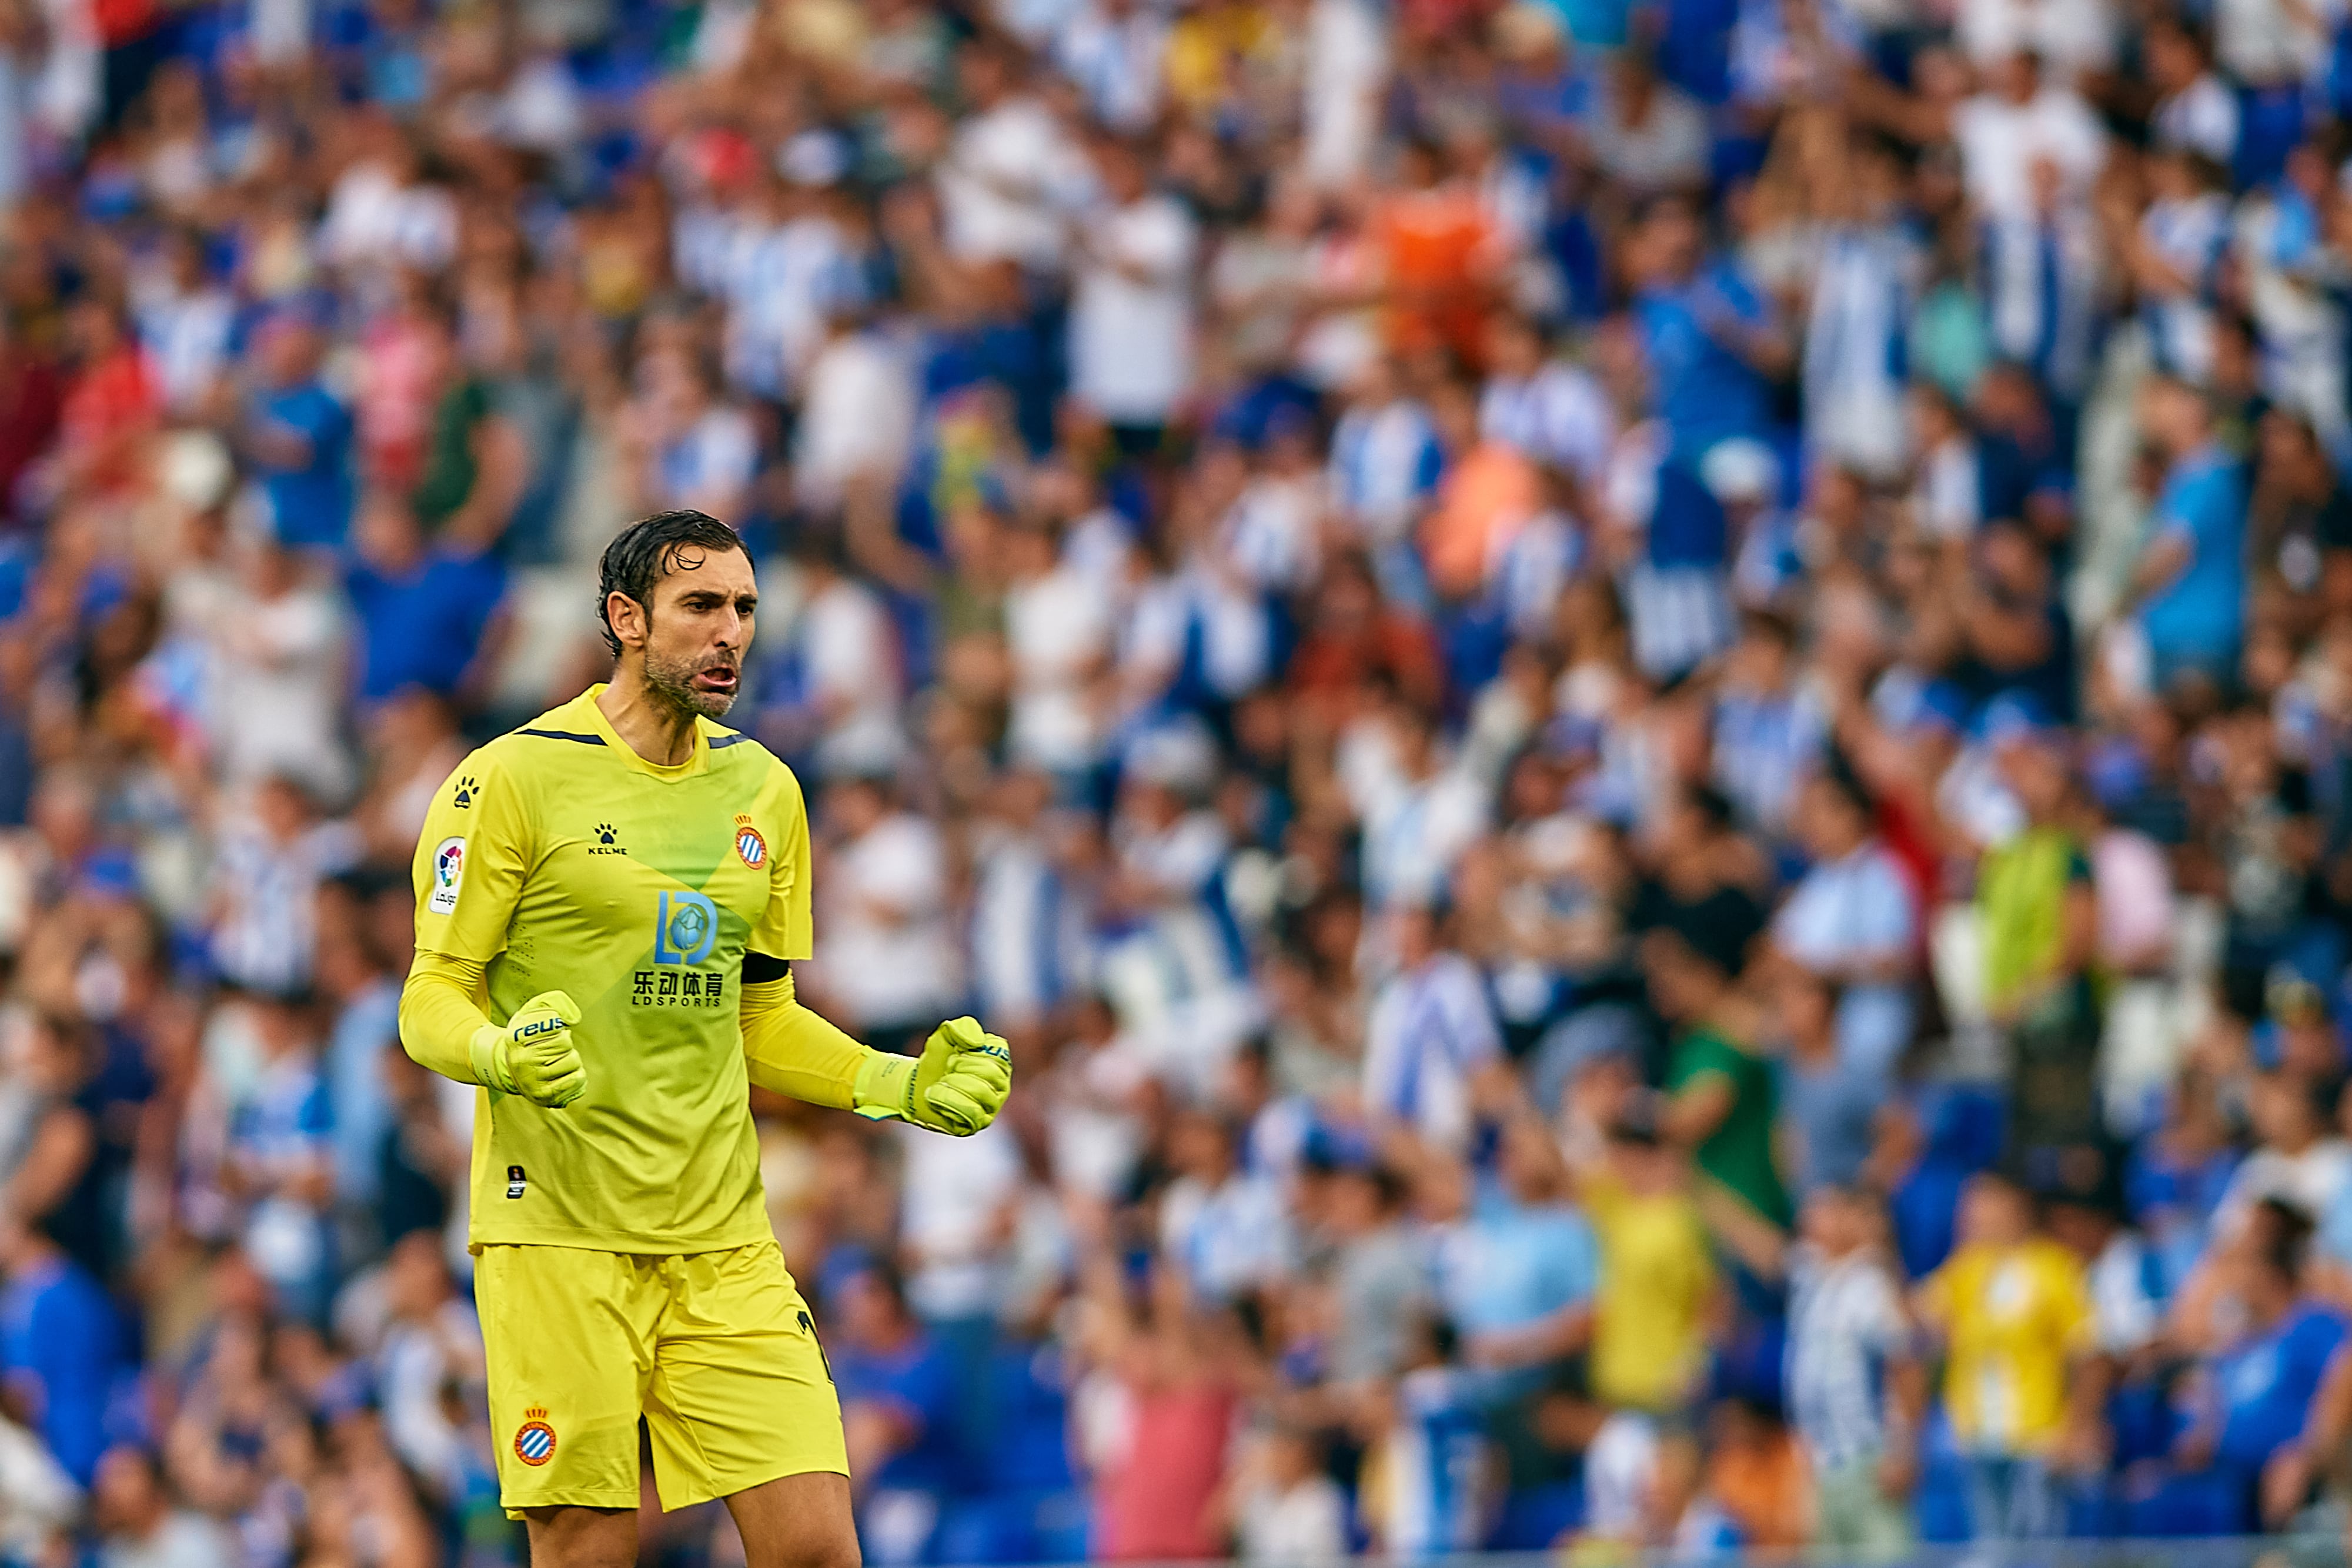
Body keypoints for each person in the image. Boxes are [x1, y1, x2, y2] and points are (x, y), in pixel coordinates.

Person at [395, 509, 1014, 1567]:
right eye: (701, 607)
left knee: (818, 1545)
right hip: (559, 1236)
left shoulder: (765, 790)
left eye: (744, 609)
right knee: (589, 1547)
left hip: (724, 1241)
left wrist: (899, 1083)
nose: (730, 632)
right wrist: (497, 1055)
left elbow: (760, 1020)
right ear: (627, 619)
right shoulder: (509, 778)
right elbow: (431, 997)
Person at [1915, 1170, 2099, 1540]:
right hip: (1976, 1435)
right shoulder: (1966, 1270)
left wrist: (2078, 1425)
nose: (1972, 1213)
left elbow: (2088, 1354)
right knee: (1991, 1545)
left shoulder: (2055, 1267)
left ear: (2016, 1206)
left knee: (2039, 1546)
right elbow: (1918, 1322)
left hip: (2037, 1435)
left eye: (1983, 1202)